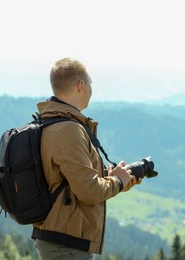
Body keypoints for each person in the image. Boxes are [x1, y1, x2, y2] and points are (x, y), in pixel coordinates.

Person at [32, 58, 141, 259]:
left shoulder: (51, 122)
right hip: (66, 243)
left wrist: (115, 179)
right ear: (81, 85)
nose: (91, 88)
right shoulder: (68, 130)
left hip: (59, 238)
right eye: (90, 83)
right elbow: (89, 191)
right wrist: (117, 181)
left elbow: (70, 181)